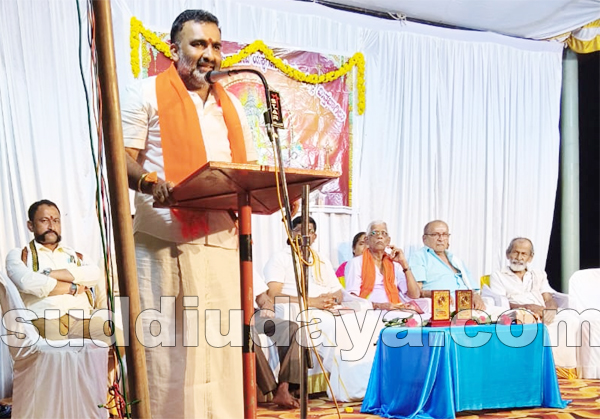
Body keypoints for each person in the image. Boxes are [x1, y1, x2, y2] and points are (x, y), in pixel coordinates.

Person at [121, 9, 257, 418]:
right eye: (198, 44)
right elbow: (121, 157)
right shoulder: (144, 93)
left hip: (222, 244)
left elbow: (245, 171)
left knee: (221, 353)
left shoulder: (232, 106)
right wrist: (149, 182)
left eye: (215, 45)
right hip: (163, 245)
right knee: (167, 355)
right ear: (173, 48)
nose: (209, 54)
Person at [5, 200, 110, 343]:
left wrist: (47, 274)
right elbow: (26, 283)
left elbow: (94, 274)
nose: (51, 226)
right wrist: (73, 287)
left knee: (118, 339)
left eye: (56, 221)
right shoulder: (19, 255)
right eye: (44, 220)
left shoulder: (76, 255)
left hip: (81, 318)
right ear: (30, 225)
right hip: (44, 317)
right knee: (58, 350)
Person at [489, 237, 581, 376]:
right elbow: (502, 302)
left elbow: (548, 298)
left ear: (530, 257)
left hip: (542, 311)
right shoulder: (498, 275)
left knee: (570, 319)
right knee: (538, 326)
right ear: (508, 254)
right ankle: (541, 369)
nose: (519, 257)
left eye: (524, 254)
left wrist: (551, 310)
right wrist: (528, 307)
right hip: (518, 313)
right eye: (515, 252)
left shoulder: (538, 274)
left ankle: (561, 369)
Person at [345, 221, 423, 312]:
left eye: (384, 233)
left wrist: (404, 263)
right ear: (367, 240)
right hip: (369, 311)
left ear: (388, 241)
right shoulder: (355, 263)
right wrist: (379, 306)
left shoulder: (395, 264)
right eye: (374, 233)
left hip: (394, 308)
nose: (380, 236)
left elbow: (415, 295)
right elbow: (352, 299)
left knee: (427, 305)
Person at [408, 220, 486, 310]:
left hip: (467, 304)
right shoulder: (419, 257)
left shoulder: (455, 259)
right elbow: (416, 291)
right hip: (442, 306)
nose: (441, 239)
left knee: (498, 312)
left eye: (445, 234)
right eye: (435, 234)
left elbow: (472, 287)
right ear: (424, 239)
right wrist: (435, 294)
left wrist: (476, 296)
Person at [253, 272, 300, 409]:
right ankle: (274, 390)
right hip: (229, 317)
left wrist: (267, 305)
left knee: (290, 328)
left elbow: (261, 296)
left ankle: (284, 387)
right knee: (246, 334)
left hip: (253, 314)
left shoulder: (242, 262)